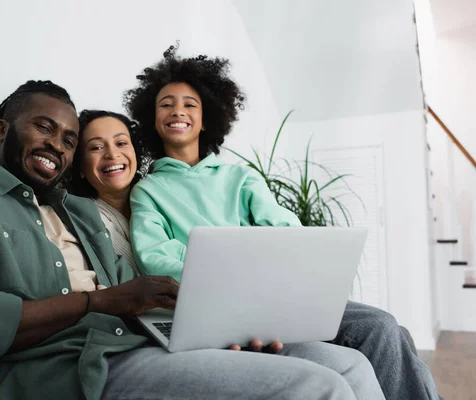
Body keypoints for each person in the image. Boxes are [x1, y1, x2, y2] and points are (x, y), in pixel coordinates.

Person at [0, 80, 374, 400]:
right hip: (69, 366)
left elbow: (137, 298)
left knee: (347, 364)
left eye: (67, 139)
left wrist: (214, 334)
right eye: (44, 127)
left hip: (138, 342)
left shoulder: (77, 210)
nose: (56, 145)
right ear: (3, 129)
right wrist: (98, 303)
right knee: (315, 386)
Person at [122, 45, 442, 400]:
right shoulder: (147, 190)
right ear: (152, 117)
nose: (177, 110)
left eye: (189, 104)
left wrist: (270, 266)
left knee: (380, 326)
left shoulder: (240, 177)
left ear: (207, 117)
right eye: (166, 103)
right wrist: (229, 273)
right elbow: (156, 258)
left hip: (274, 295)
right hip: (215, 307)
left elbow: (285, 230)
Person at [72, 109, 385, 399]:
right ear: (81, 167)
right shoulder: (83, 220)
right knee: (324, 379)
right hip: (173, 327)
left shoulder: (161, 196)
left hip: (234, 310)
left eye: (120, 142)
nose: (112, 153)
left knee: (353, 364)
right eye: (96, 147)